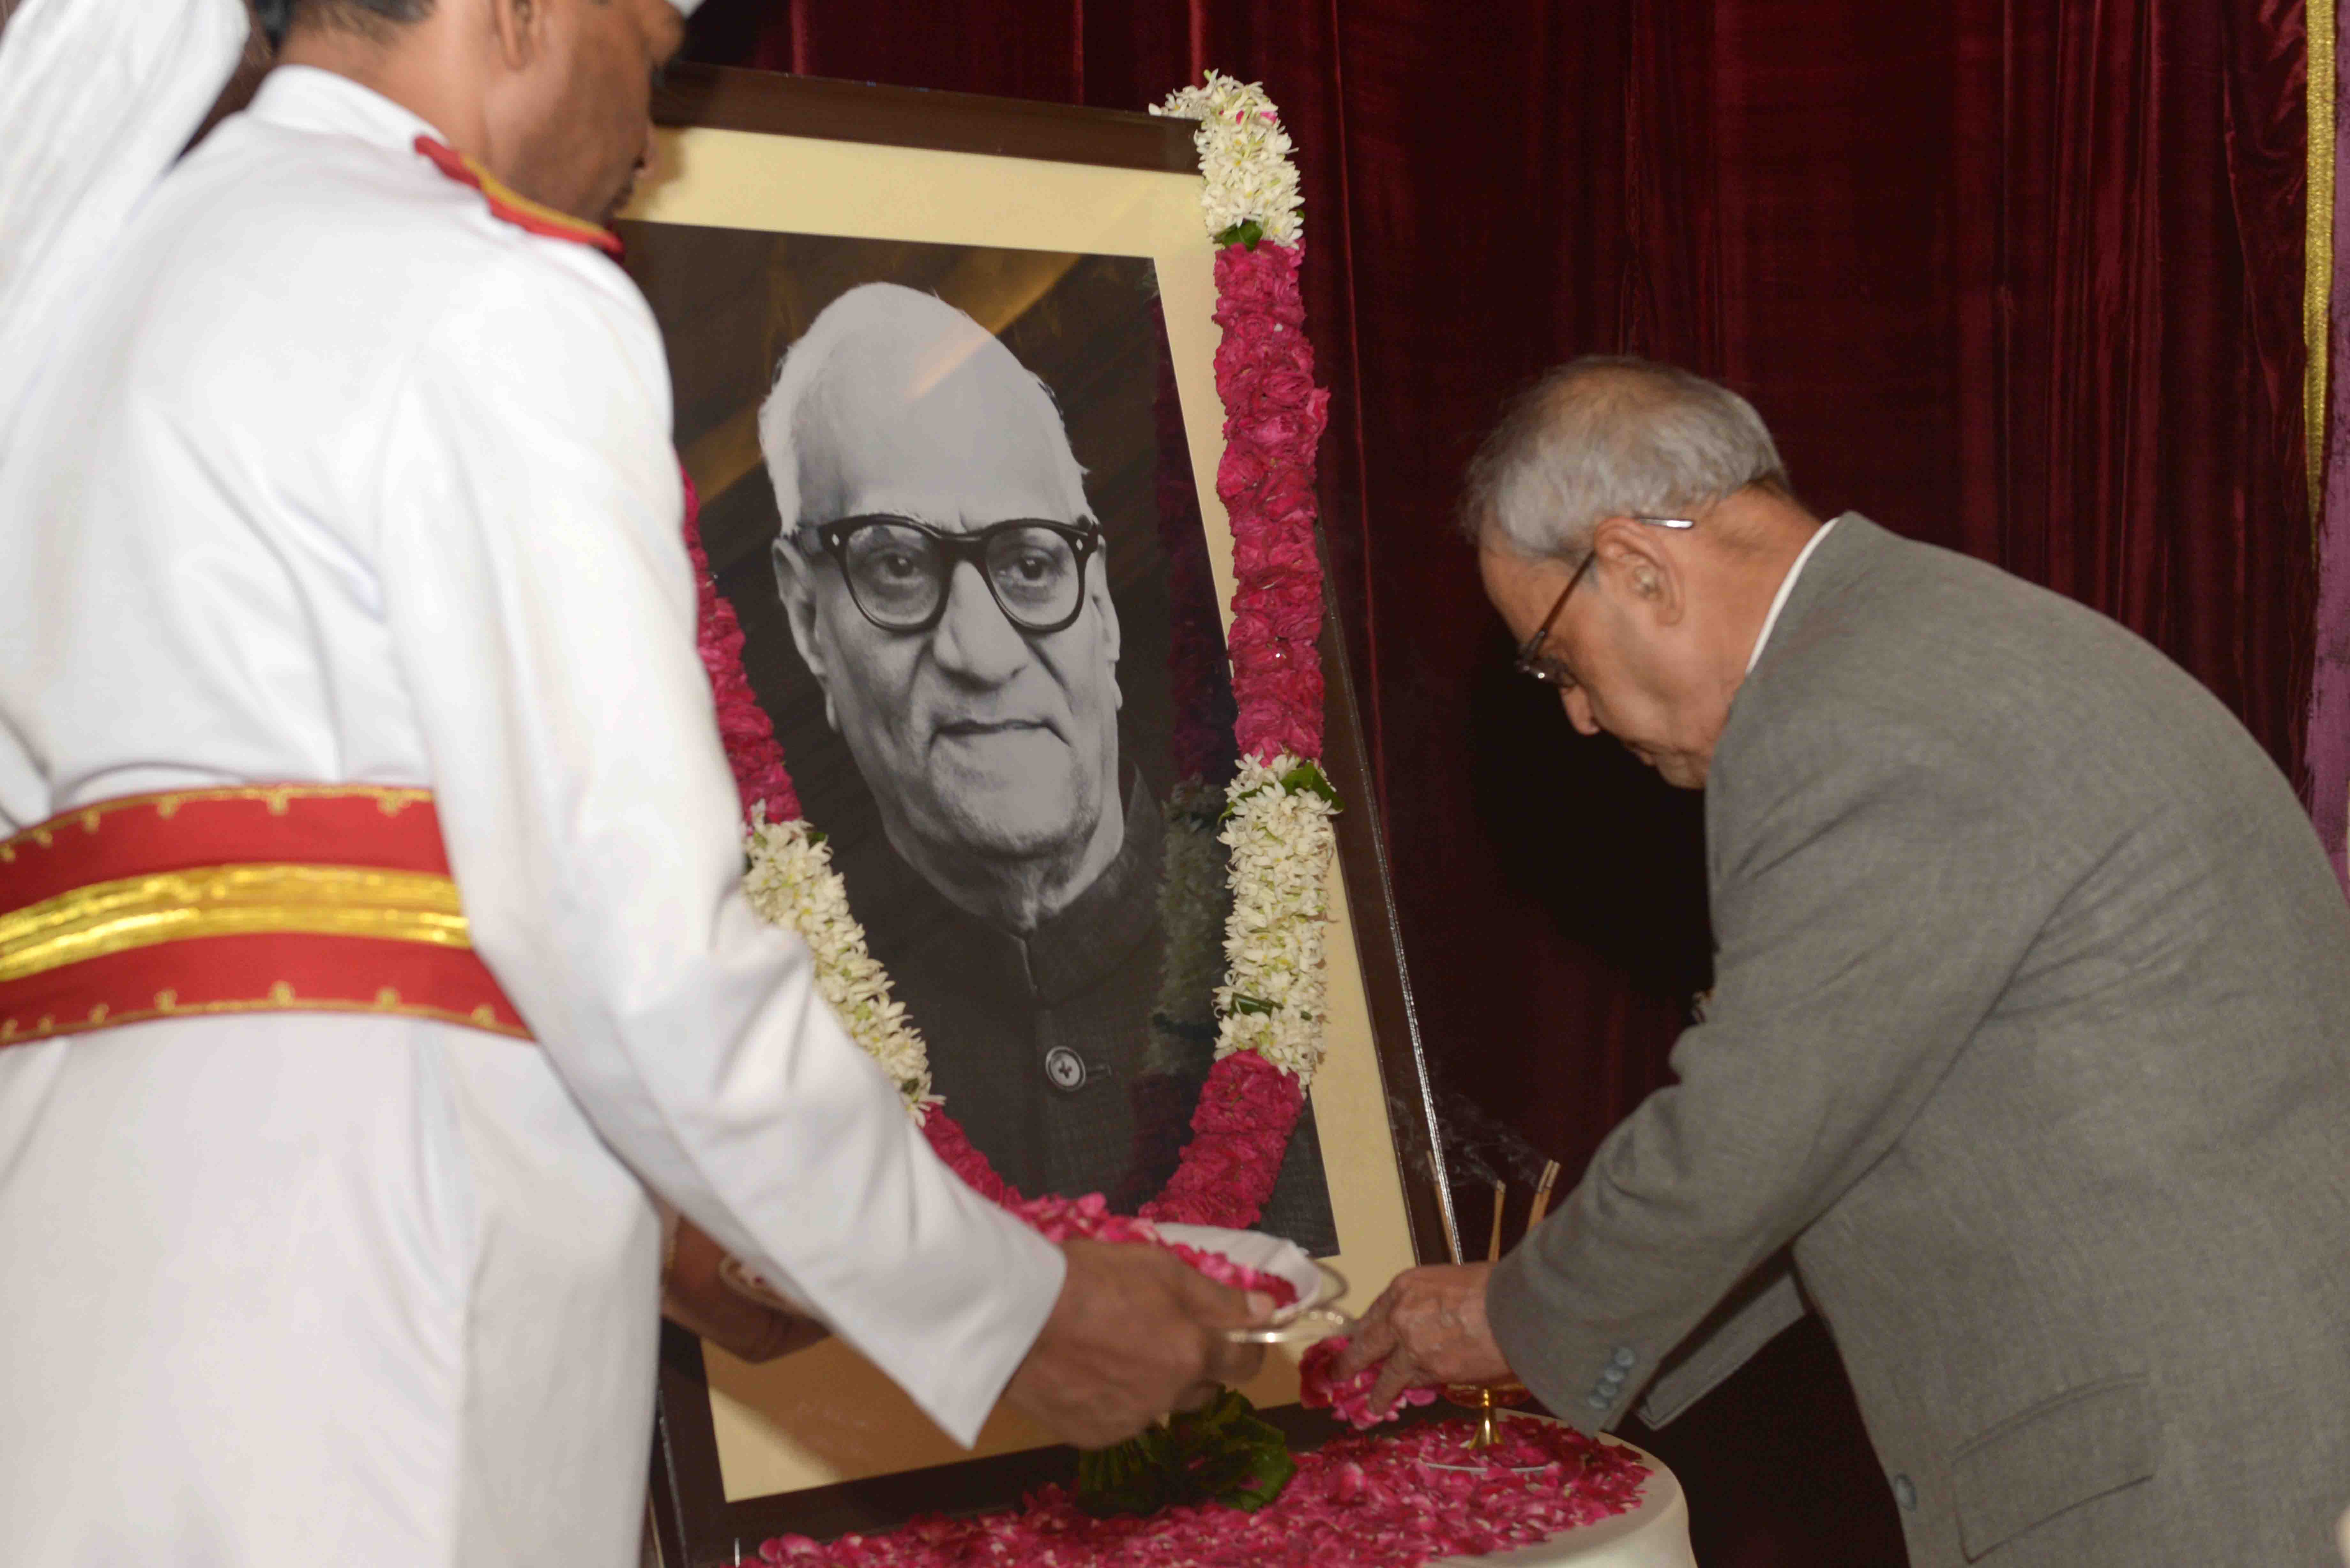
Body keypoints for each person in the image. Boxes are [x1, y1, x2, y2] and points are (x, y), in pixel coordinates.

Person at [0, 3, 1264, 1564]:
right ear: (525, 10)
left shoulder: (86, 294)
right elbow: (633, 932)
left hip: (79, 1273)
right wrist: (1006, 1308)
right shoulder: (488, 288)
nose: (649, 141)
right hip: (384, 1291)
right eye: (655, 60)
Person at [1336, 358, 2350, 1567]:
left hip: (2176, 1462)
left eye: (1556, 660)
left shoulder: (1849, 711)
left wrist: (1518, 1313)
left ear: (1639, 569)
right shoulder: (1923, 634)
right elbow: (1860, 1126)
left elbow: (1764, 1121)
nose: (1580, 717)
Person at [758, 284, 1336, 1245]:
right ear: (808, 617)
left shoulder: (1318, 925)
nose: (981, 654)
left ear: (1101, 606)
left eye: (1030, 564)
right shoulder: (761, 1024)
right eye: (897, 566)